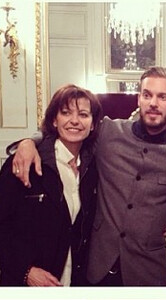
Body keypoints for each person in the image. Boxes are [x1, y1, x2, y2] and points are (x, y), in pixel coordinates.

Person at [8, 67, 166, 286]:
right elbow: (67, 130)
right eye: (147, 95)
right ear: (139, 98)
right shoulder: (108, 133)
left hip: (147, 270)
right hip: (97, 266)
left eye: (162, 96)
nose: (153, 103)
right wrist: (29, 142)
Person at [0, 84, 102, 286]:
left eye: (83, 114)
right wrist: (25, 271)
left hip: (75, 283)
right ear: (54, 120)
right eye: (66, 113)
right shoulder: (24, 163)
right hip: (26, 285)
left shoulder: (94, 169)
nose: (74, 121)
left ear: (92, 125)